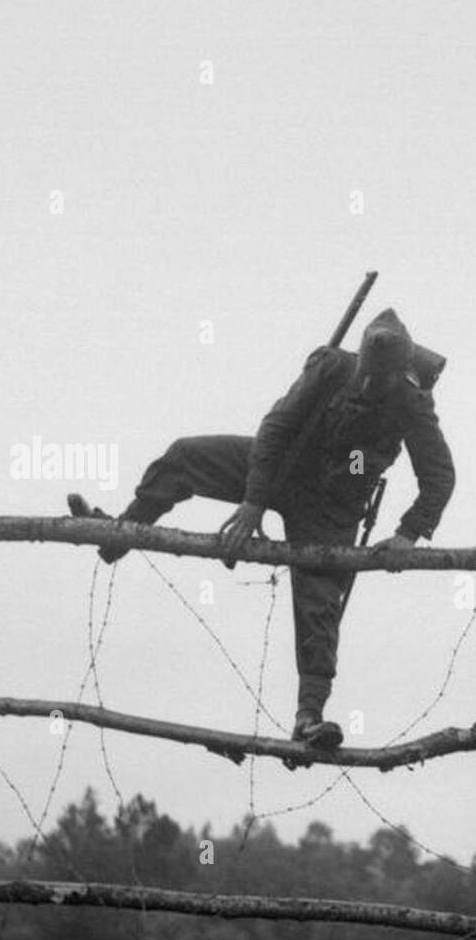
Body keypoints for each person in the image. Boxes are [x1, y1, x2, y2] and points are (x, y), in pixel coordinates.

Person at [69, 308, 455, 749]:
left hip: (333, 503)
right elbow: (275, 428)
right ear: (359, 361)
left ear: (399, 373)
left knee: (319, 603)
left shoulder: (411, 403)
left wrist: (407, 534)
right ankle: (117, 536)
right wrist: (253, 502)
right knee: (183, 457)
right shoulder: (332, 367)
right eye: (365, 375)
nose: (369, 386)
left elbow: (440, 475)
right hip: (284, 468)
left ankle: (309, 716)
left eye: (380, 380)